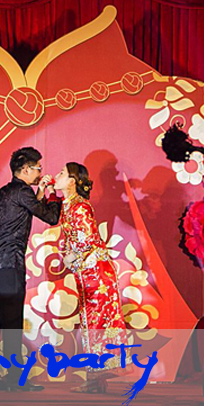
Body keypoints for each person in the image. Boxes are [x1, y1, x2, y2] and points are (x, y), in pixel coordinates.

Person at [0, 147, 61, 391]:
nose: (40, 172)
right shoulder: (23, 192)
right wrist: (52, 194)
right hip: (9, 266)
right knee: (12, 324)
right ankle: (14, 379)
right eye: (38, 168)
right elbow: (51, 217)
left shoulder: (3, 192)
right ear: (25, 169)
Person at [53, 162, 130, 393]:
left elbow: (87, 239)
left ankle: (95, 378)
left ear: (72, 181)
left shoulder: (80, 206)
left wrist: (70, 257)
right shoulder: (68, 205)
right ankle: (96, 380)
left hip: (96, 272)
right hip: (88, 271)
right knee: (91, 323)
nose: (56, 175)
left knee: (96, 323)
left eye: (62, 173)